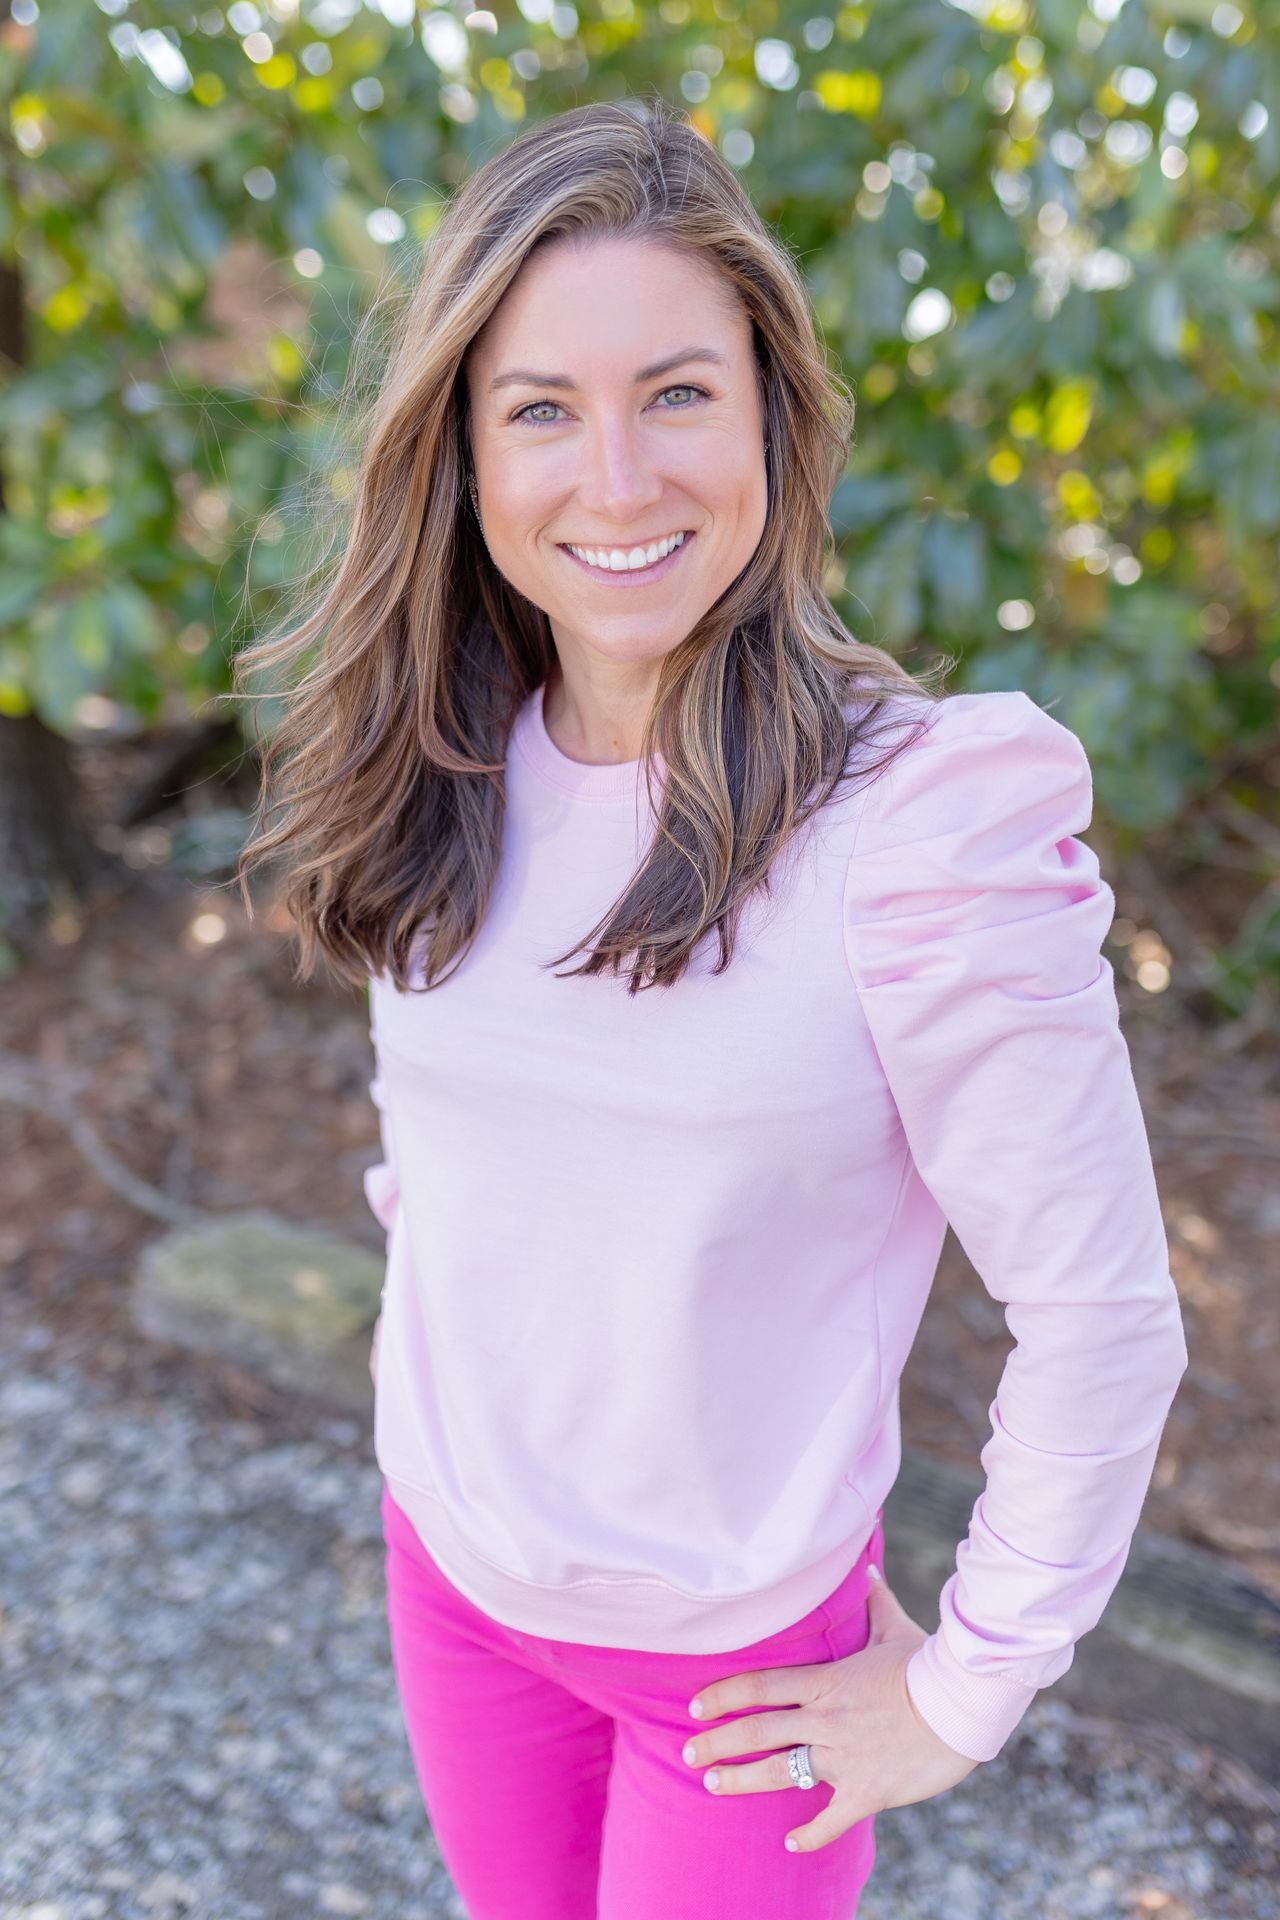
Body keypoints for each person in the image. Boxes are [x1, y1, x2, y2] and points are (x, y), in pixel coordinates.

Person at [235, 95, 1190, 1920]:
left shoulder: (924, 826)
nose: (615, 477)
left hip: (735, 1681)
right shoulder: (441, 759)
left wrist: (969, 1681)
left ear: (773, 415)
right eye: (541, 409)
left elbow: (1102, 1315)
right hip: (452, 1582)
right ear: (462, 452)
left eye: (676, 391)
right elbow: (447, 1165)